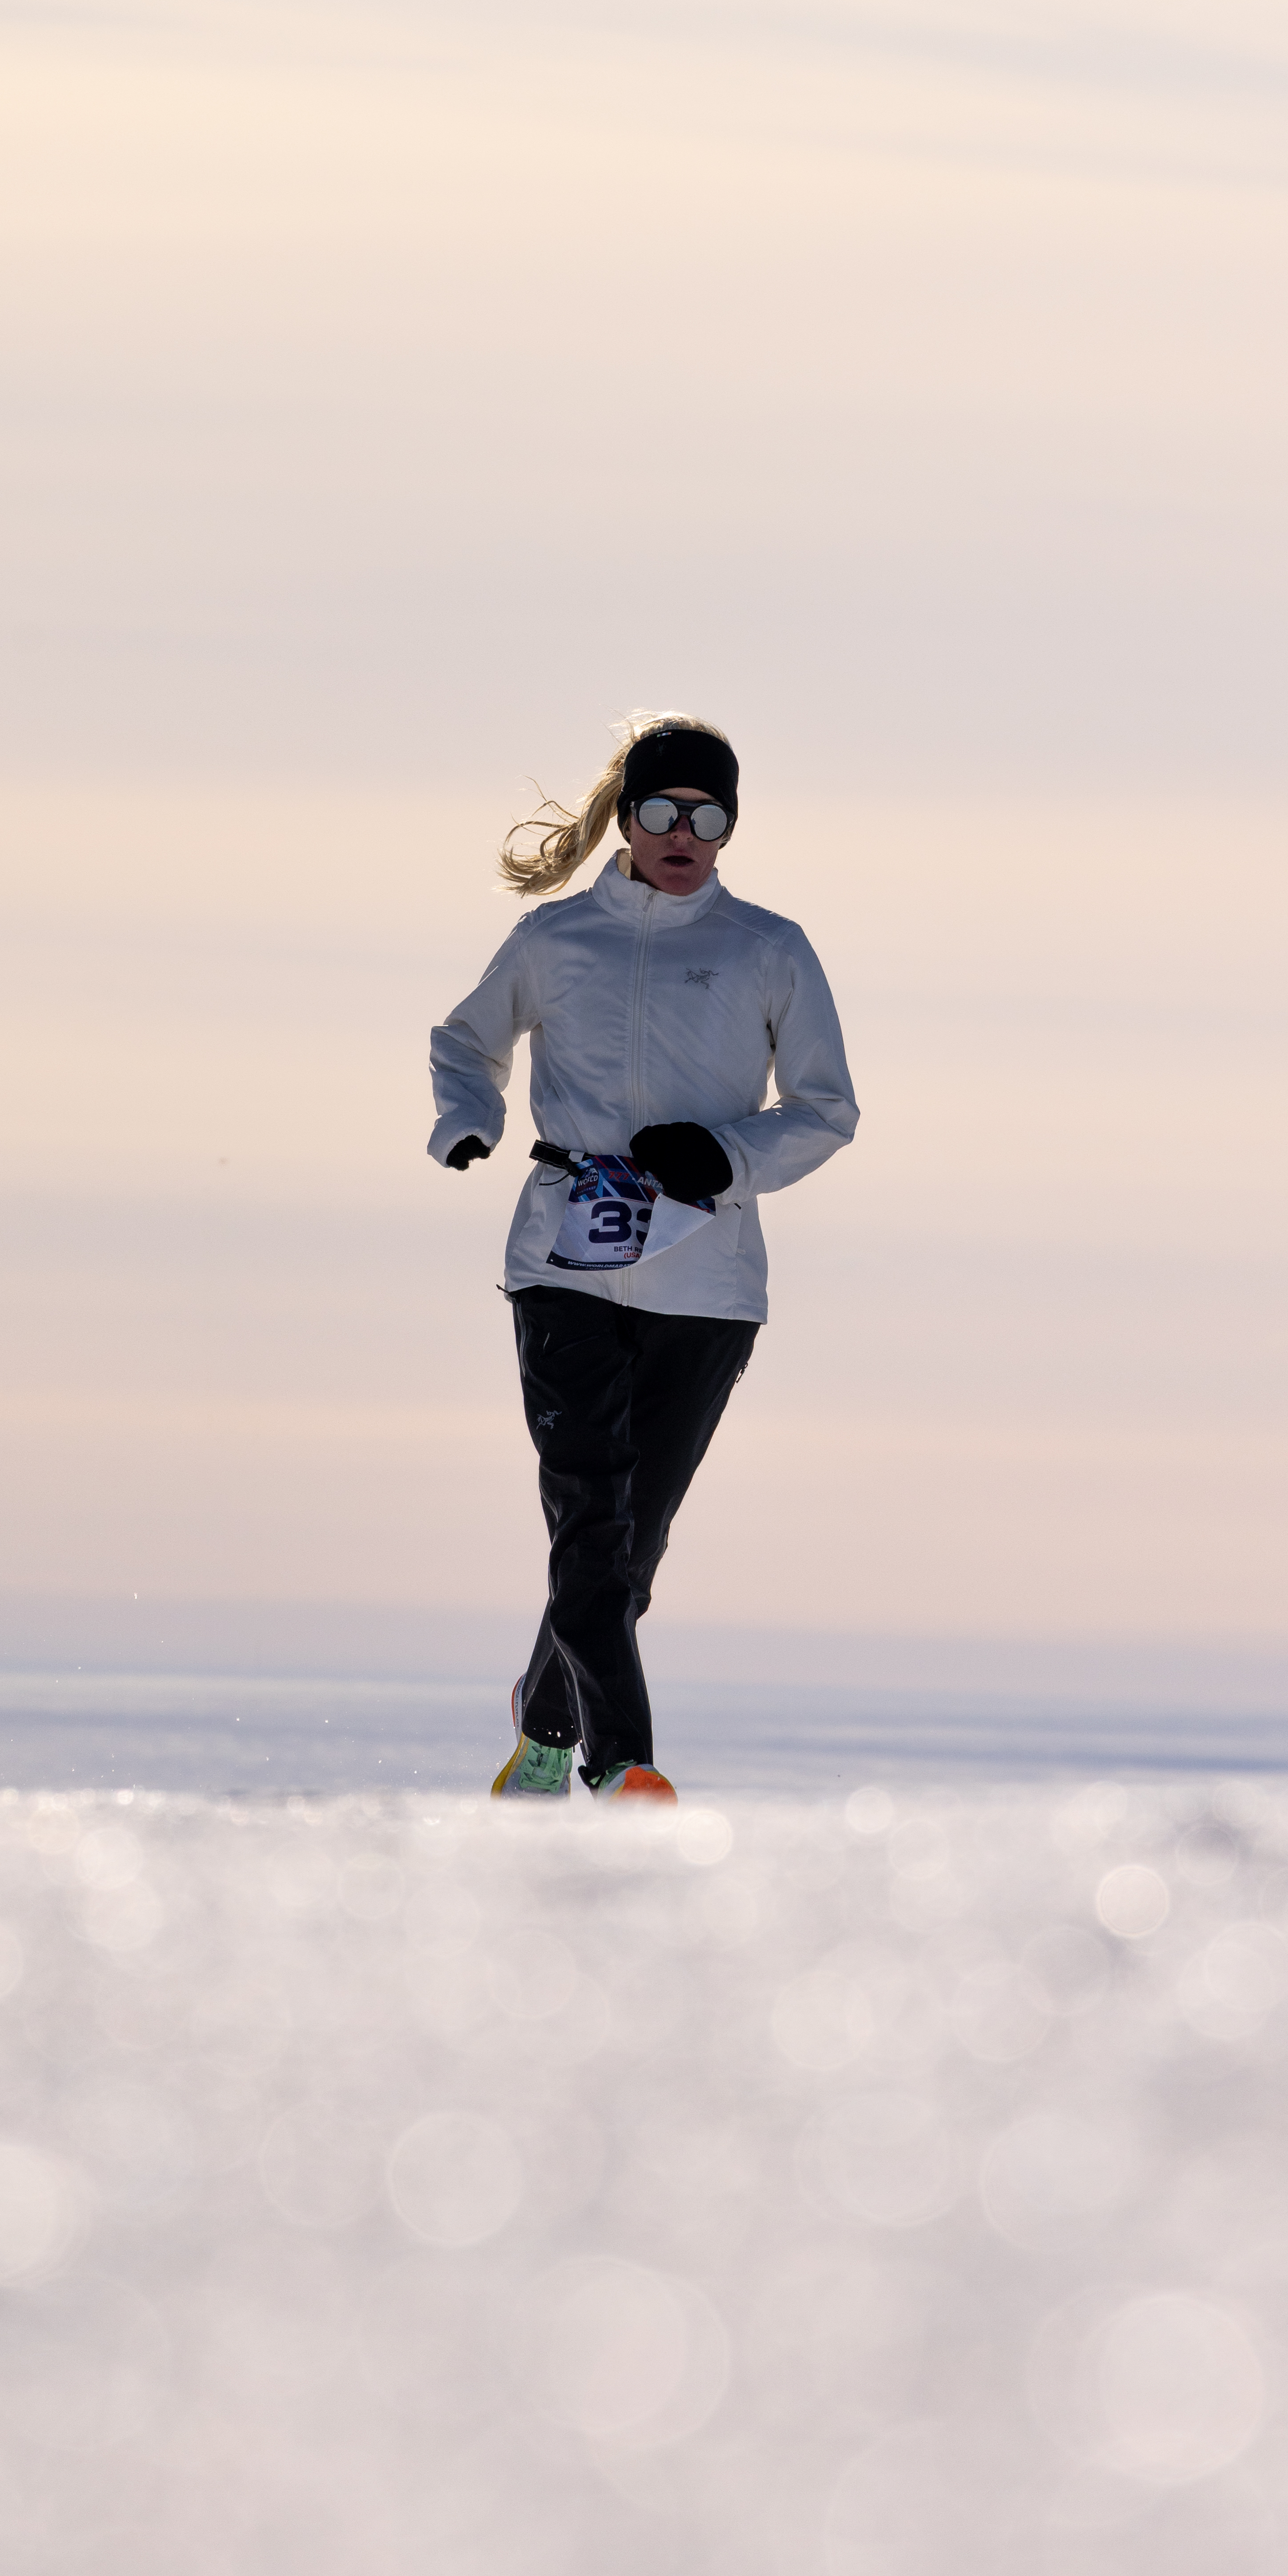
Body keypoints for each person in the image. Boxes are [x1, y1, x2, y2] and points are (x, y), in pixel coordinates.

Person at [429, 714, 858, 1804]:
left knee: (630, 1543)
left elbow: (826, 1111)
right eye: (664, 812)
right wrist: (468, 1119)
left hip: (704, 1278)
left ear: (729, 830)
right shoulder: (554, 941)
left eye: (708, 819)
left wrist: (725, 1156)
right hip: (562, 1263)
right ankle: (622, 1764)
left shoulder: (768, 950)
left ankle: (542, 1726)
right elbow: (465, 1041)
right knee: (588, 1517)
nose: (683, 835)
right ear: (626, 818)